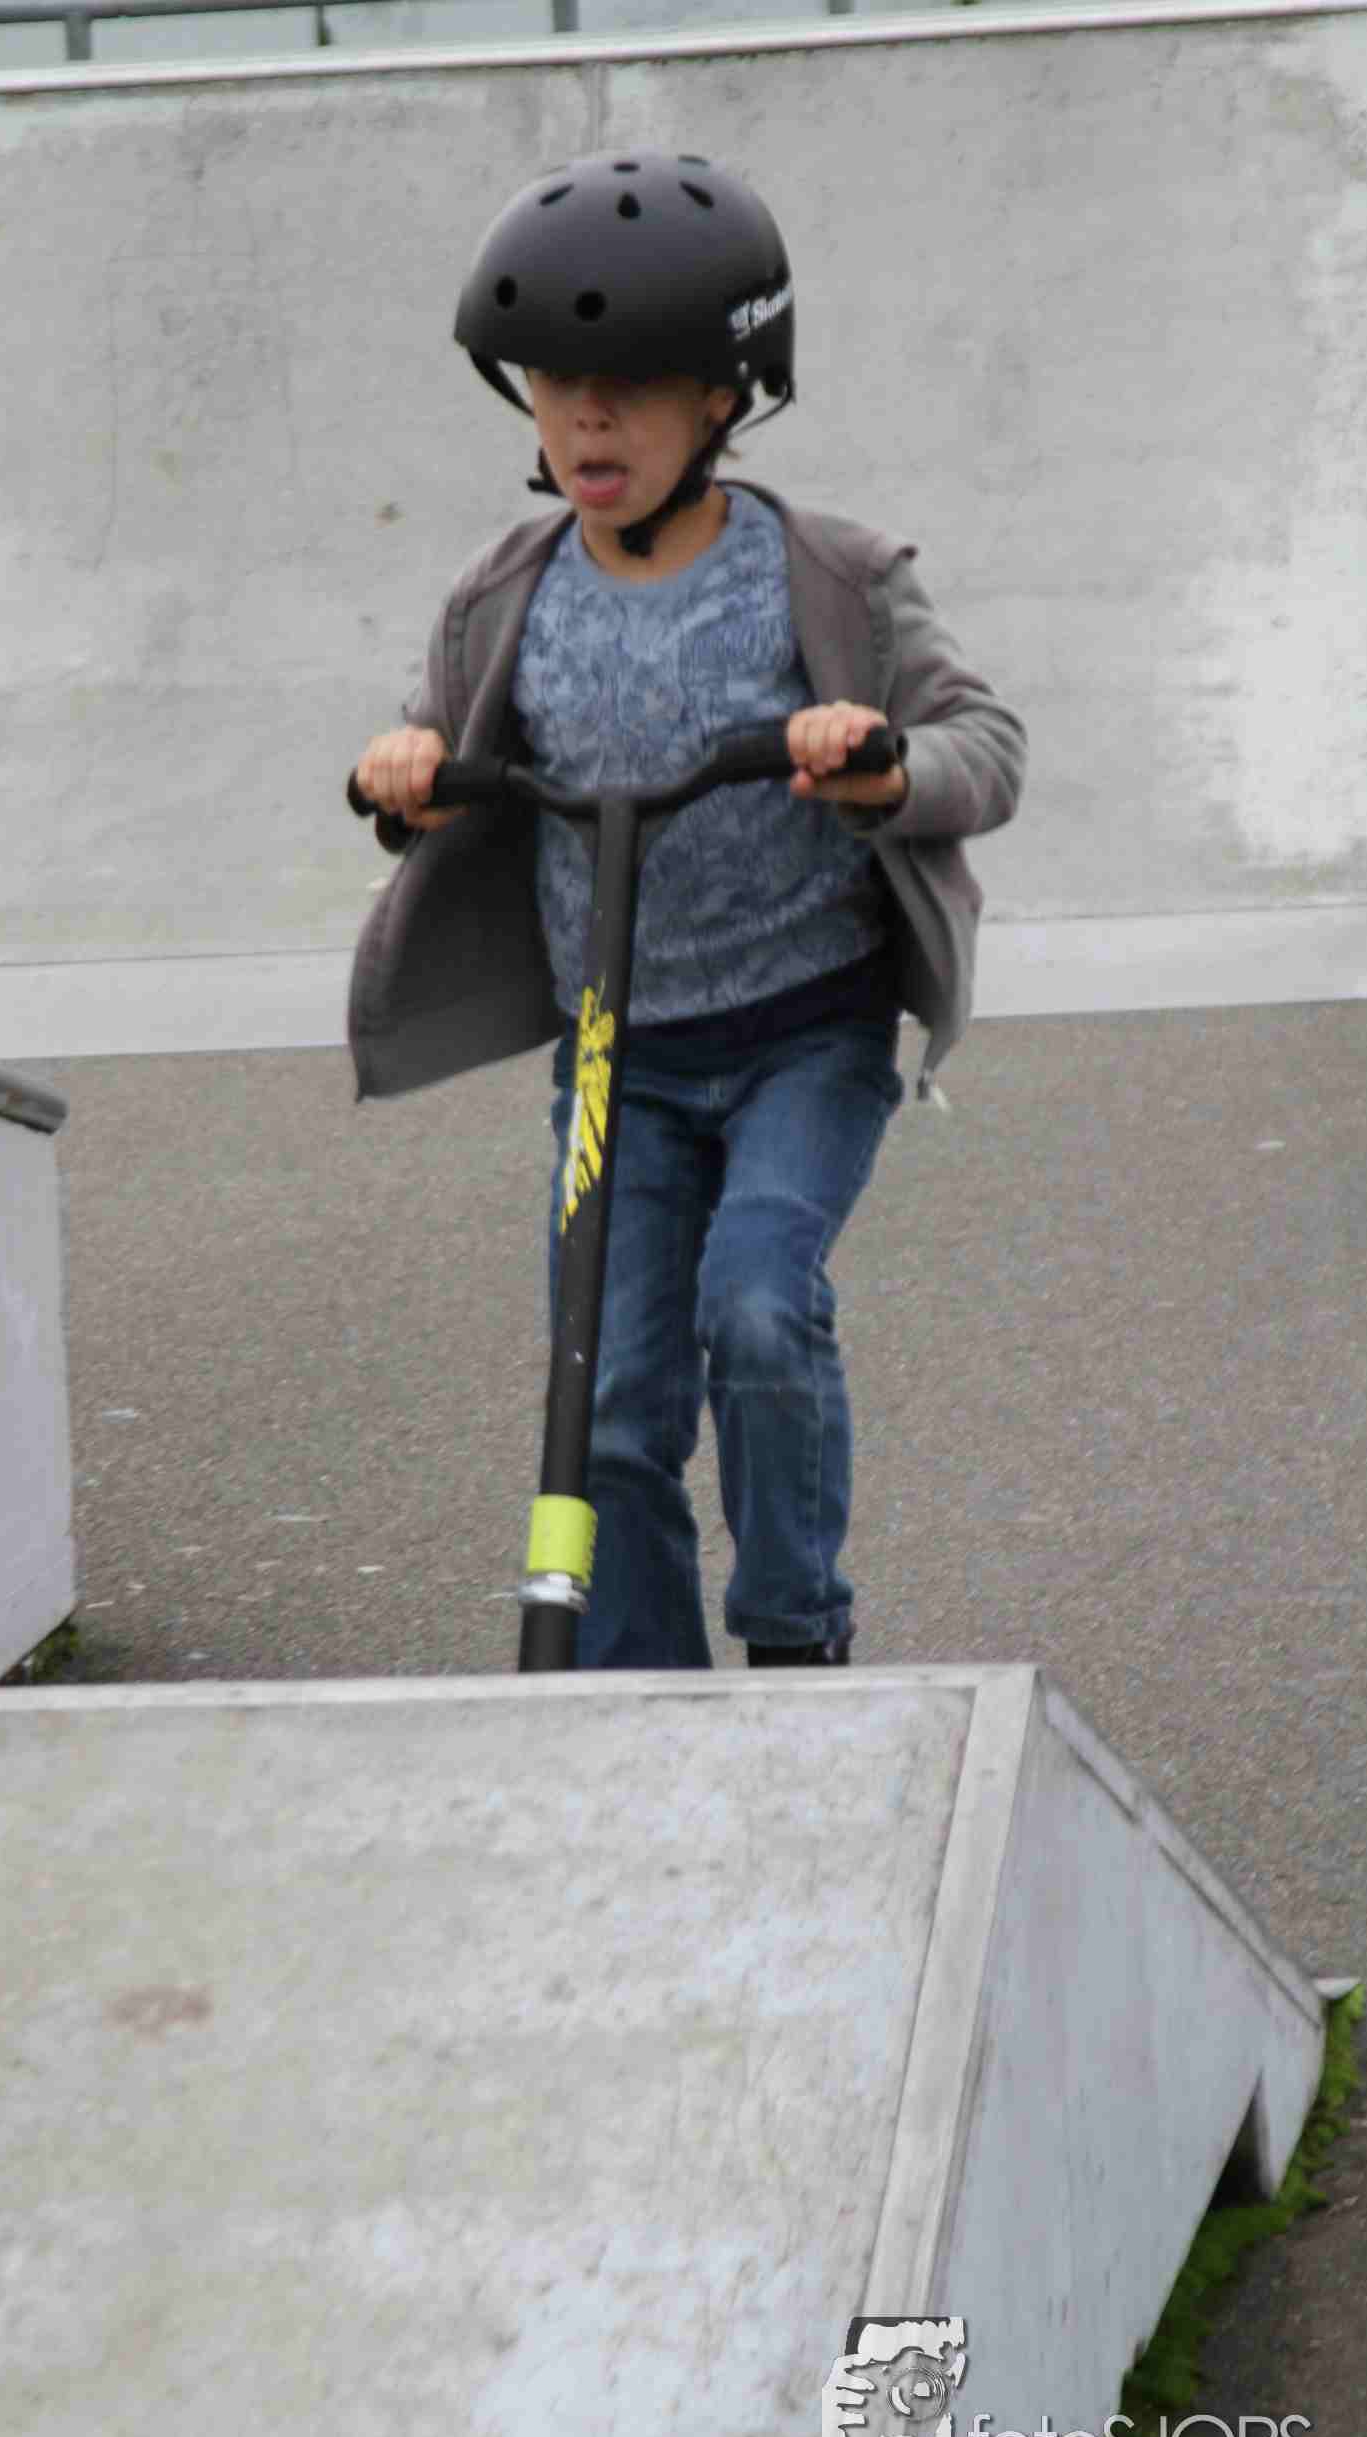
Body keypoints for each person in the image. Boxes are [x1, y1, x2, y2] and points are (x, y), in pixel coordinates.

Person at [347, 151, 1025, 1669]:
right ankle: (642, 1699)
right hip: (620, 1059)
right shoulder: (504, 597)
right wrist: (412, 773)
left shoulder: (827, 576)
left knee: (760, 1310)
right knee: (608, 1403)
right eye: (557, 384)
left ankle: (792, 1642)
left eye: (634, 387)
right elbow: (439, 746)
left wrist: (881, 764)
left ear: (725, 395)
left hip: (805, 1035)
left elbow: (986, 744)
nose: (589, 421)